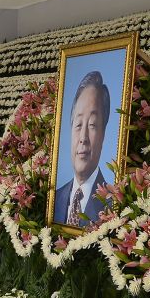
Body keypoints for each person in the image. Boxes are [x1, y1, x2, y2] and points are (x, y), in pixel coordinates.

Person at [54, 70, 110, 226]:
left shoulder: (112, 204)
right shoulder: (54, 199)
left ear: (103, 134)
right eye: (78, 125)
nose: (83, 138)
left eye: (92, 124)